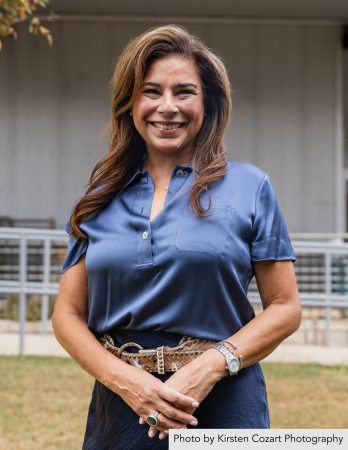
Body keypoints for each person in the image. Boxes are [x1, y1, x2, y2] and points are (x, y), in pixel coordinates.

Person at [52, 24, 301, 449]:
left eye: (184, 92)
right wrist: (128, 382)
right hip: (124, 408)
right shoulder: (99, 197)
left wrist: (211, 365)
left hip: (223, 402)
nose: (167, 107)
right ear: (130, 103)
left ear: (208, 103)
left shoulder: (250, 186)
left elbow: (285, 307)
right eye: (151, 91)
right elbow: (67, 316)